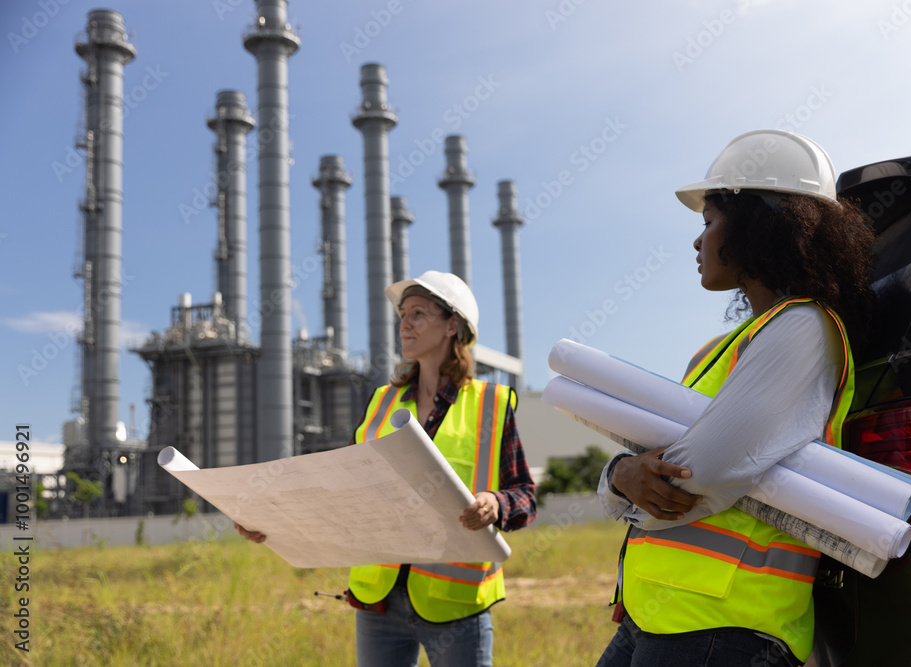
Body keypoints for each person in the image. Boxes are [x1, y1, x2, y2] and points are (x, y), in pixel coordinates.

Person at [595, 129, 875, 667]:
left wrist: (620, 482)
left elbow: (694, 477)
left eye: (708, 222)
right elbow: (655, 466)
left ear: (758, 224)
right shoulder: (719, 349)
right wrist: (623, 474)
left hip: (728, 630)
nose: (697, 243)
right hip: (656, 615)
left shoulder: (804, 328)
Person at [237, 270, 535, 667]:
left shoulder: (492, 405)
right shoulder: (380, 403)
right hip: (378, 600)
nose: (405, 324)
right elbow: (343, 491)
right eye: (402, 314)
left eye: (418, 313)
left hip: (455, 602)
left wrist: (496, 504)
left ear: (452, 326)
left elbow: (525, 496)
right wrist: (273, 521)